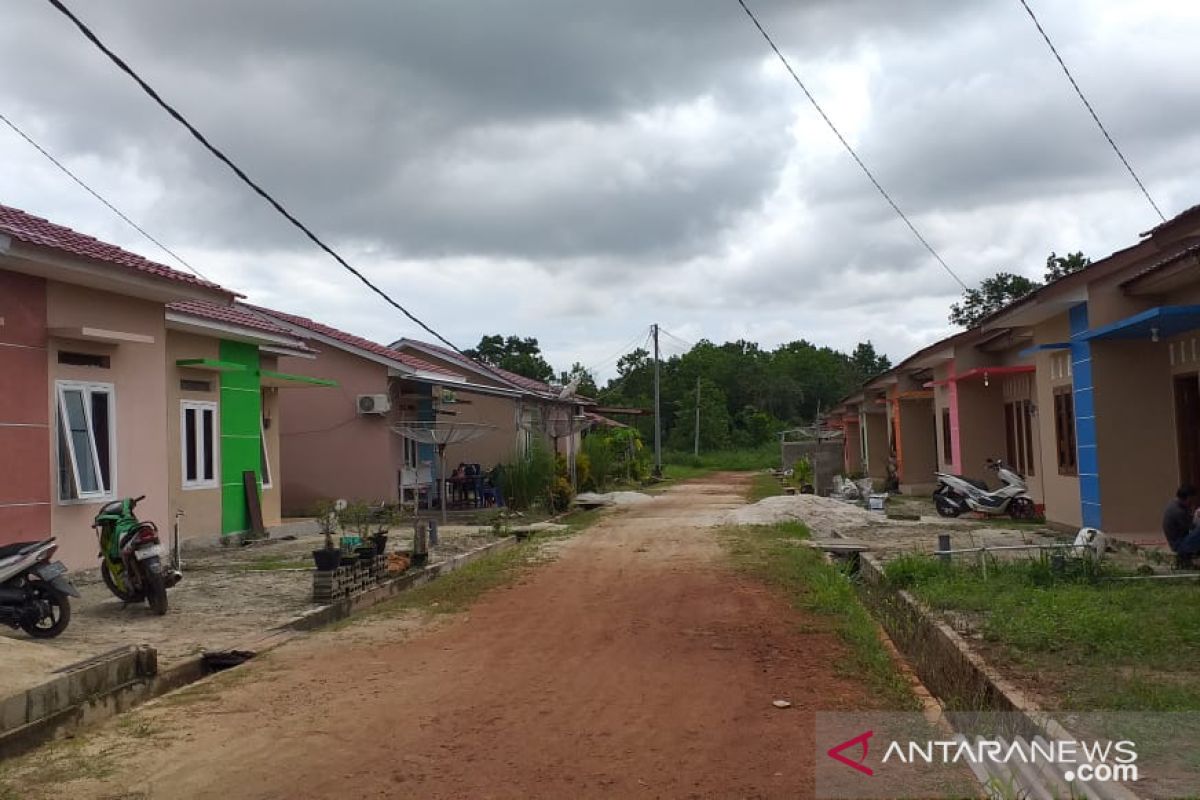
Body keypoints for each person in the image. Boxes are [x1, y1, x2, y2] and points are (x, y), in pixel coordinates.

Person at [1162, 485, 1200, 568]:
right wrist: (1195, 515)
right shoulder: (1177, 511)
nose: (1192, 502)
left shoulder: (1175, 503)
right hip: (1179, 545)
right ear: (1187, 498)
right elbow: (1192, 527)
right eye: (1191, 500)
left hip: (1181, 538)